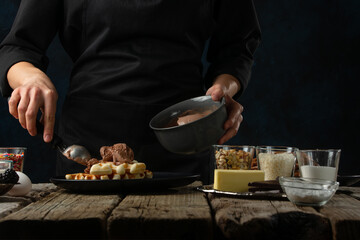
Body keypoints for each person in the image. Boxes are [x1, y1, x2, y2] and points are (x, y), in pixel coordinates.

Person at [0, 0, 261, 183]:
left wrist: (221, 93)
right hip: (89, 151)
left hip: (182, 141)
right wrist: (31, 78)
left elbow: (237, 48)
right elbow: (17, 47)